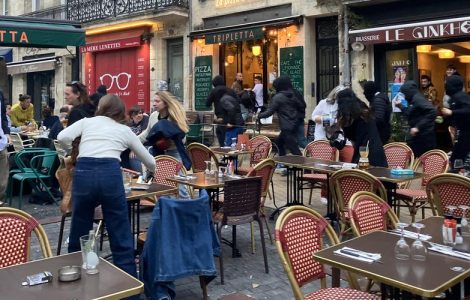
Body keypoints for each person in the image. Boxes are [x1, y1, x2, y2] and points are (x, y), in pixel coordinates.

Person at [57, 94, 155, 286]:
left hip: (84, 174)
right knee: (120, 232)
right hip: (110, 175)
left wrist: (72, 151)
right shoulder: (124, 130)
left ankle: (75, 284)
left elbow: (62, 137)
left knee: (79, 228)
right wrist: (152, 170)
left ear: (100, 108)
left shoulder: (87, 122)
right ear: (120, 111)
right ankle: (128, 292)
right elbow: (150, 162)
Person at [139, 90, 191, 198]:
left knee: (180, 187)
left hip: (175, 153)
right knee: (163, 186)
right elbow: (147, 133)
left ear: (165, 103)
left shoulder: (175, 116)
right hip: (159, 154)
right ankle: (168, 210)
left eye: (157, 101)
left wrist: (170, 138)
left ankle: (188, 210)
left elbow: (183, 138)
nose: (154, 104)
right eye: (154, 101)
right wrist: (132, 142)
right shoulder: (153, 116)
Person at [336, 89, 388, 167]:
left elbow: (352, 138)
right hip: (377, 154)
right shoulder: (364, 112)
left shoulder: (353, 118)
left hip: (363, 156)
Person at [258, 76, 303, 156]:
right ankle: (283, 162)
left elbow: (270, 111)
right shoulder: (293, 94)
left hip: (286, 126)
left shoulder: (278, 97)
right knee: (279, 143)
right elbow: (302, 106)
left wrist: (259, 115)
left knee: (294, 150)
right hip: (295, 123)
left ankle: (305, 166)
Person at [311, 85, 354, 163]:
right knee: (323, 165)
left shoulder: (347, 105)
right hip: (323, 138)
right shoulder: (324, 103)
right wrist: (331, 120)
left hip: (341, 139)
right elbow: (314, 117)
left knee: (351, 161)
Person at [397, 80, 437, 157]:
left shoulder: (417, 99)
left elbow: (432, 111)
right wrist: (400, 106)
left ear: (409, 91)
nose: (404, 96)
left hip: (424, 138)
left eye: (405, 93)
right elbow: (410, 113)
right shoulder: (413, 99)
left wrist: (417, 127)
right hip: (419, 137)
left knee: (423, 161)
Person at [442, 75, 470, 167]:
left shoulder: (461, 96)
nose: (444, 85)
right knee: (457, 157)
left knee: (458, 157)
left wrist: (451, 112)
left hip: (466, 132)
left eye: (446, 84)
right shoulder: (453, 98)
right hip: (462, 132)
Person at [362, 81, 392, 145]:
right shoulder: (377, 99)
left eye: (365, 90)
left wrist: (368, 120)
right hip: (381, 133)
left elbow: (379, 119)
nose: (364, 93)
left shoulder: (378, 100)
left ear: (369, 90)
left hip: (380, 134)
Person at [122, 105, 149, 173]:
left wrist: (134, 148)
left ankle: (141, 176)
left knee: (133, 156)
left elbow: (143, 136)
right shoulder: (129, 124)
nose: (139, 115)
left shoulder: (145, 119)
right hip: (131, 146)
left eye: (140, 113)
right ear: (131, 116)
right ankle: (127, 173)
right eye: (136, 114)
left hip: (144, 145)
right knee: (122, 153)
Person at [206, 75, 228, 146]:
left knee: (220, 132)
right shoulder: (228, 89)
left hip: (220, 116)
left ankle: (223, 150)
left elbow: (207, 103)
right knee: (224, 132)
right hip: (230, 115)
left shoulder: (214, 91)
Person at [0, 89, 11, 207]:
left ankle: (1, 206)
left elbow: (2, 115)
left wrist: (7, 132)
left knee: (3, 180)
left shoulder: (0, 93)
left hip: (1, 143)